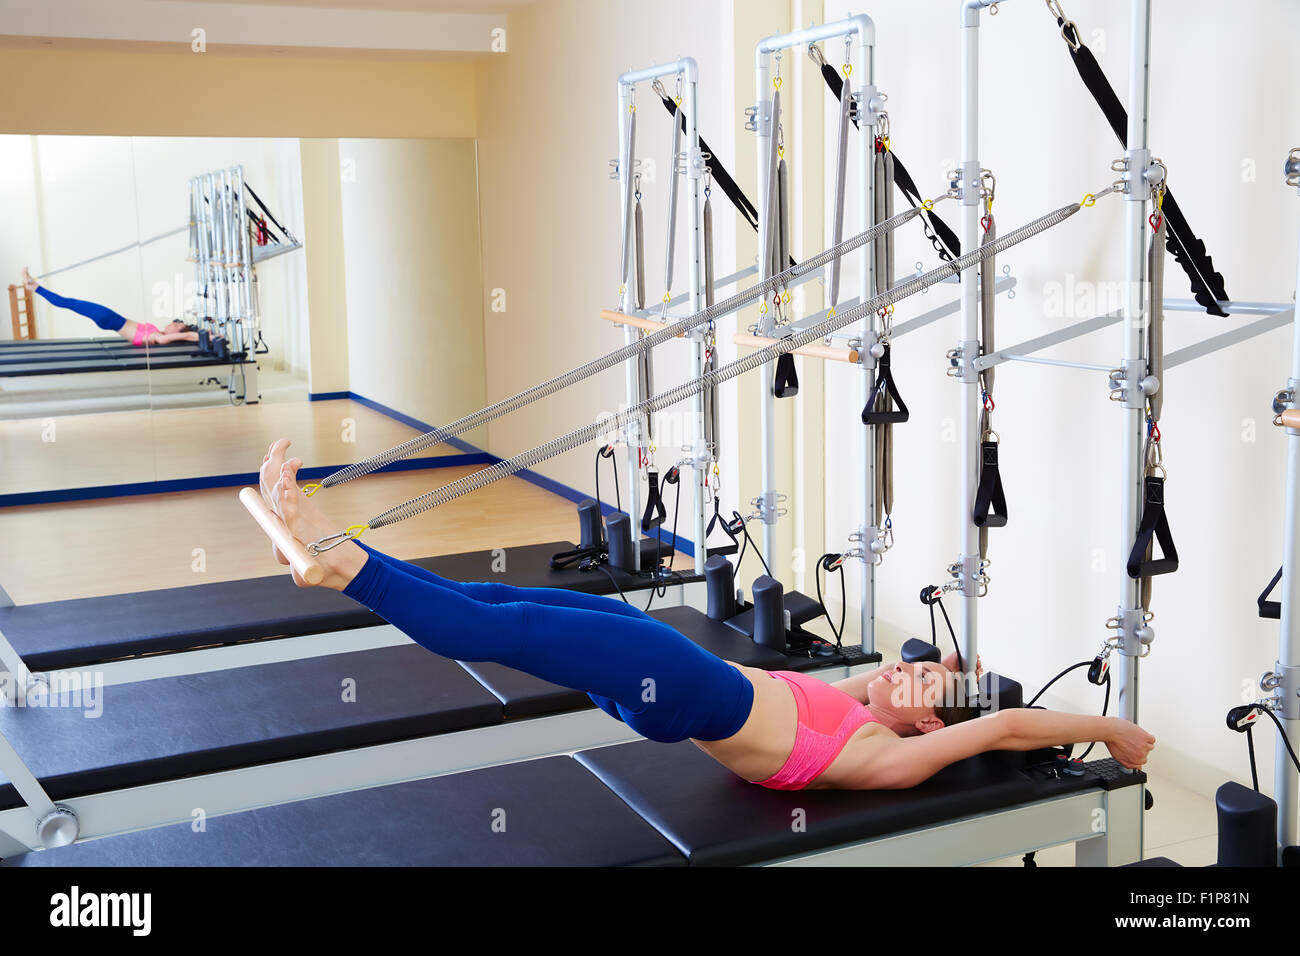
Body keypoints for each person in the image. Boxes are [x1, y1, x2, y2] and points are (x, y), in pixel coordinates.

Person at [251, 438, 1156, 791]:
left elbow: (999, 724)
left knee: (508, 633)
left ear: (924, 717)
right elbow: (979, 711)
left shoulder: (893, 752)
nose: (891, 667)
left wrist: (1109, 724)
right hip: (682, 682)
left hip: (690, 693)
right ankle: (337, 541)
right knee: (507, 600)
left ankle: (344, 567)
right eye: (904, 663)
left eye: (911, 678)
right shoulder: (867, 706)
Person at [22, 267, 200, 347]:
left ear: (175, 333)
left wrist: (196, 335)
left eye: (175, 326)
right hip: (113, 320)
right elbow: (184, 335)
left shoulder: (157, 337)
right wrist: (200, 335)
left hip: (112, 319)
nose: (172, 323)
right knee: (70, 303)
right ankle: (33, 286)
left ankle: (34, 286)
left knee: (69, 302)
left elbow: (179, 336)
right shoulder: (158, 334)